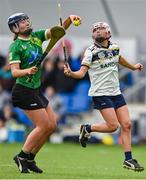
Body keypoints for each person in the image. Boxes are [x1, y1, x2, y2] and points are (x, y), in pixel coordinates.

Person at [64, 21, 144, 172]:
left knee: (127, 124)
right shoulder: (90, 52)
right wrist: (71, 73)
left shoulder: (114, 47)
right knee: (113, 126)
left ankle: (128, 159)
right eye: (96, 30)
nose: (98, 31)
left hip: (116, 92)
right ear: (92, 34)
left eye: (101, 29)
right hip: (100, 94)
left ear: (108, 33)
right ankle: (87, 128)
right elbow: (81, 73)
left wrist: (133, 67)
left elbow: (119, 58)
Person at [8, 12, 81, 173]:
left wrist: (69, 19)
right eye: (22, 22)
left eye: (27, 20)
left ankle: (30, 158)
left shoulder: (37, 36)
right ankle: (21, 156)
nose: (27, 23)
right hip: (23, 90)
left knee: (52, 125)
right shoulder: (16, 46)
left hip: (35, 89)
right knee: (43, 126)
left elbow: (58, 31)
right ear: (15, 28)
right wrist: (27, 70)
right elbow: (14, 72)